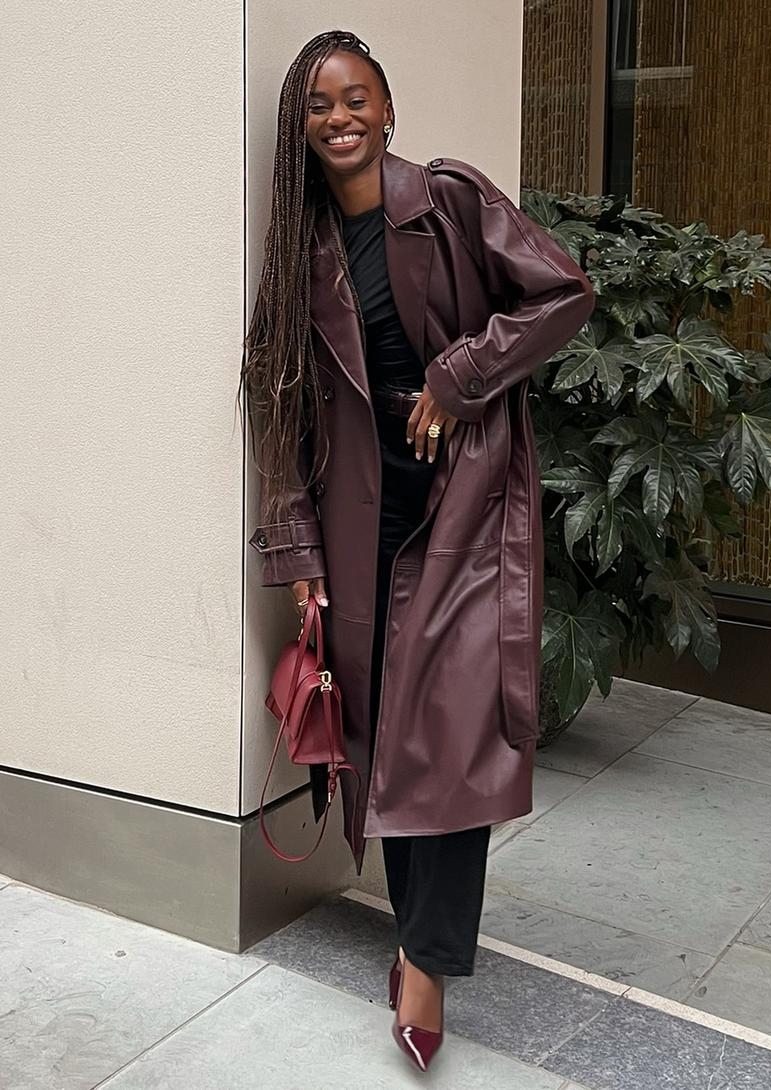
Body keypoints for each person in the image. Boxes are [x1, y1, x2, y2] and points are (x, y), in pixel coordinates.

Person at [240, 29, 594, 1073]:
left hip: (464, 513)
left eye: (357, 99)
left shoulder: (448, 200)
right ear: (300, 128)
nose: (339, 118)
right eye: (319, 105)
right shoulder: (299, 251)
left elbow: (562, 293)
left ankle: (427, 965)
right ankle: (414, 942)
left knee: (448, 739)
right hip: (361, 526)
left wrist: (459, 374)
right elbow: (276, 406)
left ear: (388, 111)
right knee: (391, 738)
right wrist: (297, 550)